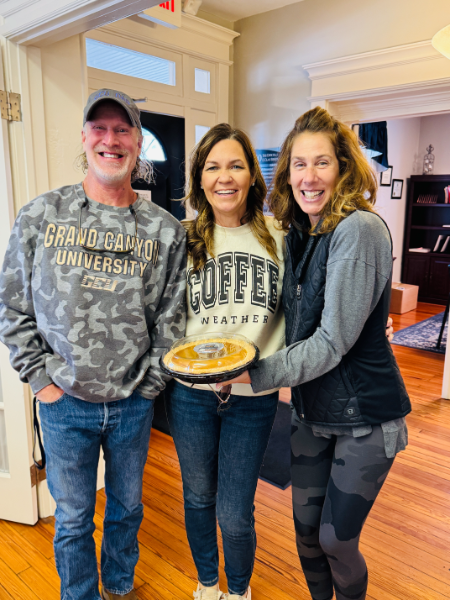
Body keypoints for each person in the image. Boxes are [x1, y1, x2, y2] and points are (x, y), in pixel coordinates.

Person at [0, 89, 186, 600]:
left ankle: (120, 589)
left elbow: (172, 318)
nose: (110, 140)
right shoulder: (41, 216)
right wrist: (41, 382)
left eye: (122, 130)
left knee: (127, 509)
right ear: (84, 139)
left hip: (132, 405)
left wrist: (149, 386)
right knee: (75, 518)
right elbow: (11, 306)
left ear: (137, 142)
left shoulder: (165, 231)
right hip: (64, 404)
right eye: (99, 129)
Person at [223, 107, 411, 600]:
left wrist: (249, 374)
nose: (309, 176)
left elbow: (332, 341)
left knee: (334, 540)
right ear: (286, 172)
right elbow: (289, 317)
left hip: (366, 417)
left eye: (322, 163)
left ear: (344, 168)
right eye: (299, 164)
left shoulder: (358, 230)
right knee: (306, 536)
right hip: (311, 412)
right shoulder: (303, 234)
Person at [165, 123, 286, 600]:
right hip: (190, 397)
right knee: (197, 497)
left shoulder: (281, 236)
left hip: (254, 394)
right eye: (213, 167)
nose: (225, 177)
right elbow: (159, 311)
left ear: (253, 176)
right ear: (199, 180)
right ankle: (207, 583)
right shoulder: (182, 238)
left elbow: (311, 300)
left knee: (236, 512)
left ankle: (238, 591)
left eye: (236, 165)